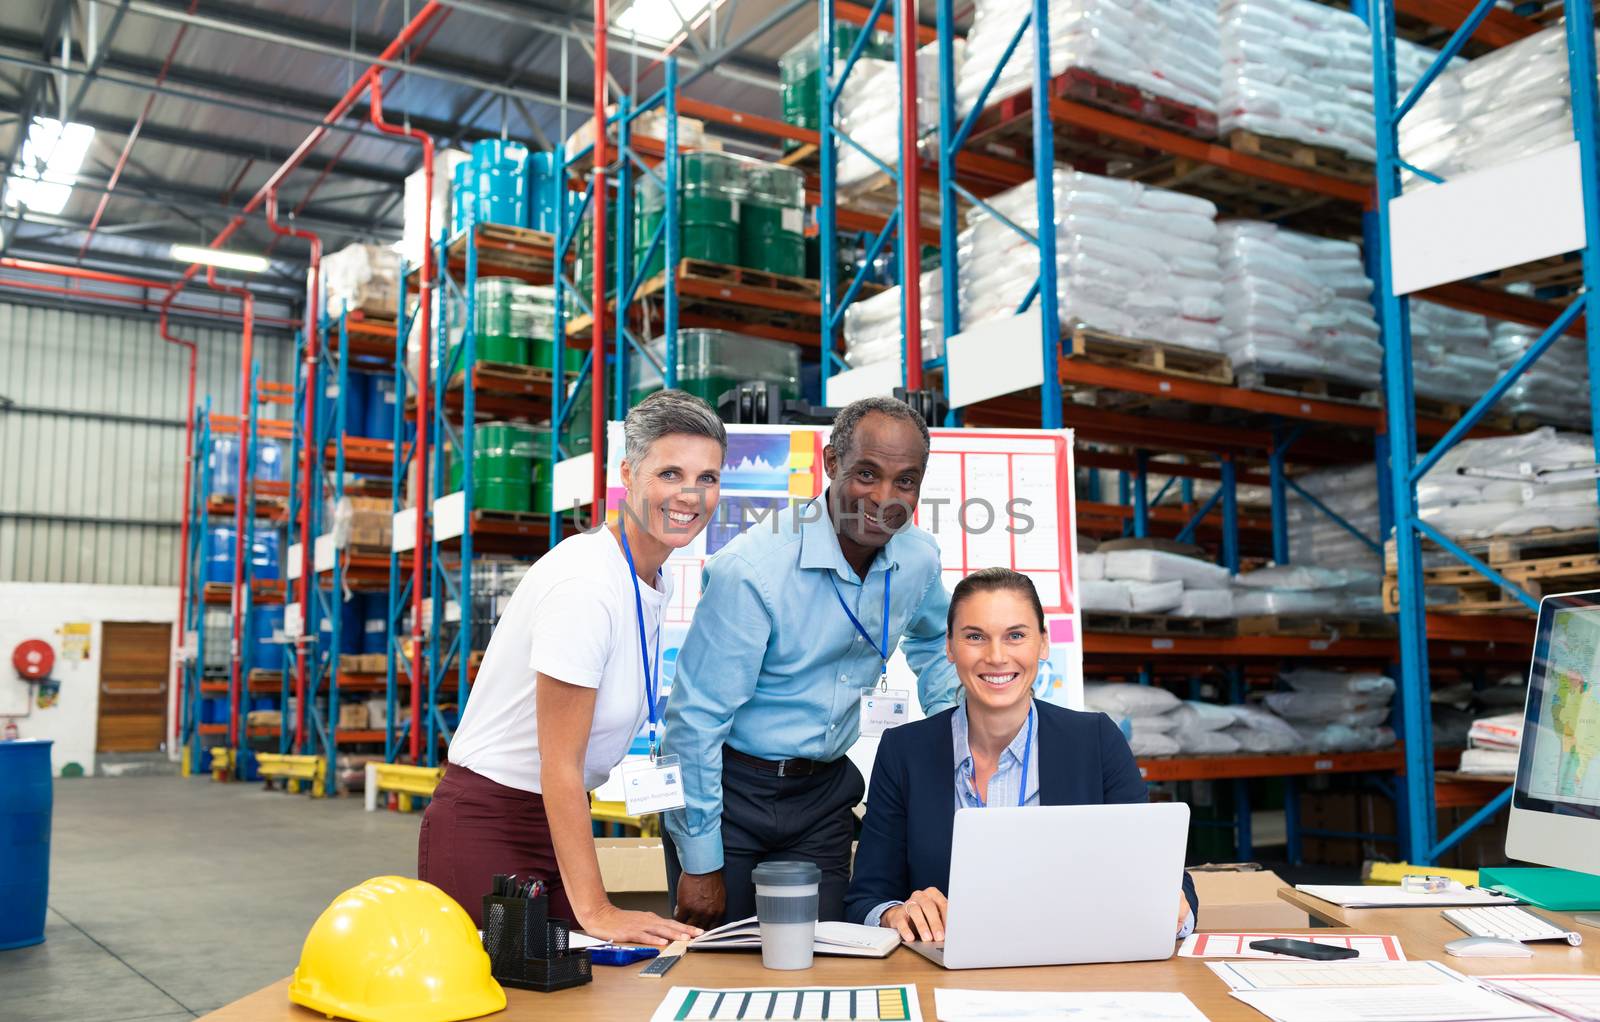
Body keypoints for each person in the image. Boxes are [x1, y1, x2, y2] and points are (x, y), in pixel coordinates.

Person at [417, 389, 725, 946]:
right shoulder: (587, 584)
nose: (691, 494)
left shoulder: (653, 578)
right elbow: (559, 762)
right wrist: (599, 908)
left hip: (554, 821)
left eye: (708, 478)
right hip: (490, 821)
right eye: (671, 472)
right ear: (628, 475)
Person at [663, 396, 960, 929]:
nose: (885, 498)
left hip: (822, 798)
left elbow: (939, 646)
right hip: (730, 795)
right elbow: (696, 722)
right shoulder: (753, 571)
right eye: (866, 473)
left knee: (821, 965)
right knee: (717, 975)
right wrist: (701, 861)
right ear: (830, 464)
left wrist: (958, 738)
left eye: (906, 481)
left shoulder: (917, 558)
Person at [844, 567, 1199, 941]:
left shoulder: (1095, 741)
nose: (997, 657)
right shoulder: (904, 752)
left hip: (1070, 965)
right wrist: (896, 914)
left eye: (1015, 635)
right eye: (975, 637)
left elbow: (1171, 881)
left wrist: (1174, 907)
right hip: (944, 971)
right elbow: (866, 899)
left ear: (1043, 643)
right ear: (949, 646)